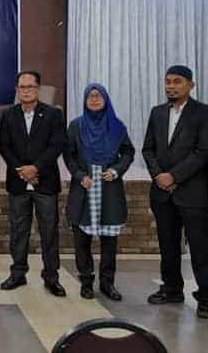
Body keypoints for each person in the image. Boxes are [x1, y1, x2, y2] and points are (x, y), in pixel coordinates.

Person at [142, 65, 208, 319]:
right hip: (162, 193)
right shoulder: (157, 112)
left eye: (177, 82)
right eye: (168, 82)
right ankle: (172, 288)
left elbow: (203, 152)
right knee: (168, 245)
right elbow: (148, 149)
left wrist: (174, 176)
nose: (171, 86)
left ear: (190, 85)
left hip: (193, 193)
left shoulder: (205, 113)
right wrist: (159, 176)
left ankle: (205, 298)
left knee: (200, 247)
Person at [0, 71, 67, 296]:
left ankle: (51, 277)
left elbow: (56, 145)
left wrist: (35, 168)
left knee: (49, 232)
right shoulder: (9, 115)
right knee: (19, 231)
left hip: (45, 182)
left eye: (30, 87)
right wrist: (22, 170)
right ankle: (18, 274)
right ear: (17, 90)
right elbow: (4, 146)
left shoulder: (53, 114)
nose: (26, 91)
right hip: (18, 181)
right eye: (22, 87)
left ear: (38, 89)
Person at [65, 83, 135, 301]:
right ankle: (86, 282)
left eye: (98, 96)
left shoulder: (116, 126)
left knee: (109, 241)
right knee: (82, 240)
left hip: (109, 187)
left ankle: (107, 283)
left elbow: (128, 152)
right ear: (85, 100)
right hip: (84, 187)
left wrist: (116, 170)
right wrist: (79, 175)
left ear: (106, 100)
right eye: (90, 96)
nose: (94, 99)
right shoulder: (76, 126)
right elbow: (69, 155)